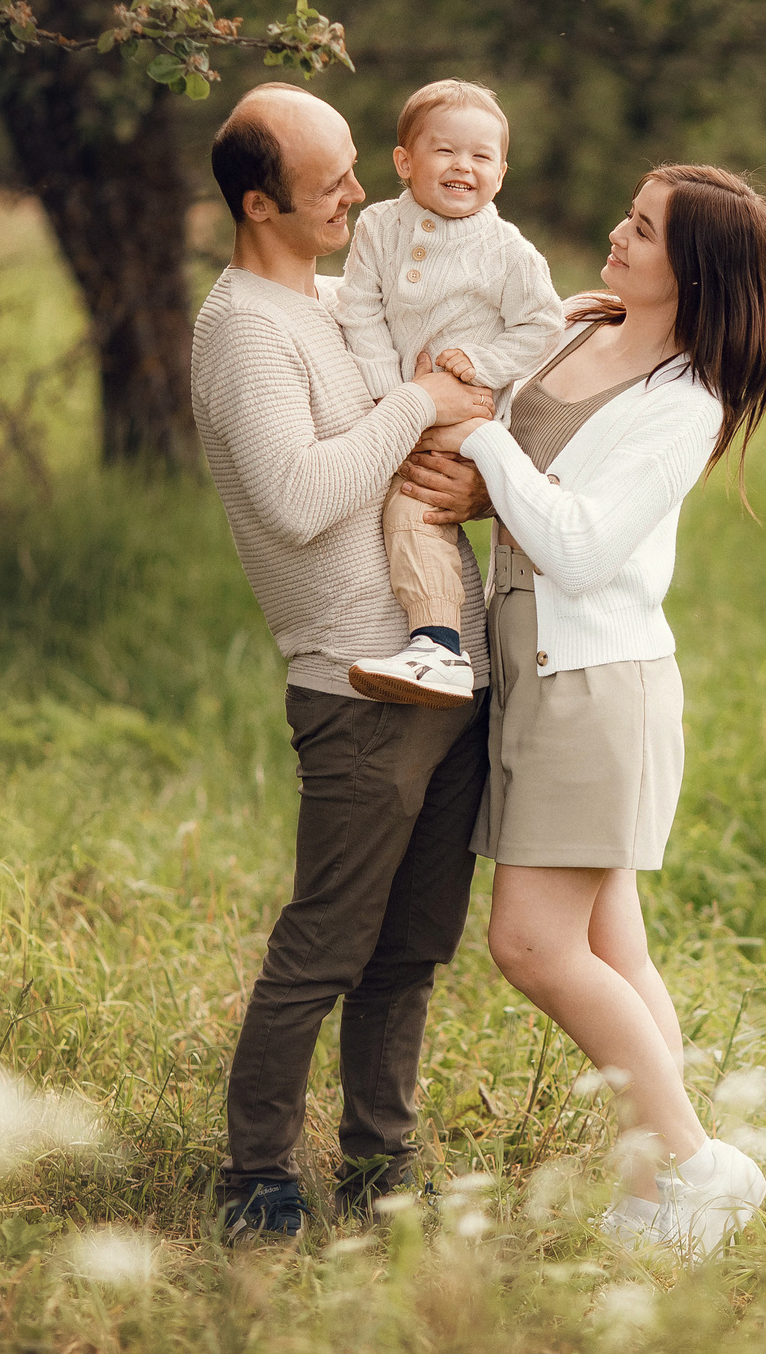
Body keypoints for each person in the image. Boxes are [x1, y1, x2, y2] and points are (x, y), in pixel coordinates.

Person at [412, 164, 766, 1256]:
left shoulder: (683, 404)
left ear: (696, 270)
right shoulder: (583, 329)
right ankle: (654, 1191)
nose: (618, 238)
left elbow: (579, 546)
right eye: (627, 217)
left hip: (595, 681)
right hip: (536, 665)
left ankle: (700, 1165)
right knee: (615, 954)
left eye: (642, 230)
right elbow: (540, 475)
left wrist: (481, 440)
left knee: (532, 946)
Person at [189, 81, 496, 1238]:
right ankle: (256, 1176)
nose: (361, 195)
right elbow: (301, 498)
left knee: (408, 956)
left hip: (450, 676)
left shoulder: (332, 302)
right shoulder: (244, 332)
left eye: (358, 167)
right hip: (359, 690)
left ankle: (380, 1166)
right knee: (323, 948)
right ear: (260, 202)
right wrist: (415, 399)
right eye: (333, 186)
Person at [335, 79, 563, 707]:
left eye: (481, 156)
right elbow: (359, 312)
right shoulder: (380, 226)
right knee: (382, 502)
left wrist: (484, 363)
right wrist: (394, 399)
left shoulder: (507, 249)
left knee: (414, 507)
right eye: (444, 152)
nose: (464, 166)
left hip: (468, 414)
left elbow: (543, 326)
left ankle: (438, 645)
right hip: (403, 404)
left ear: (501, 173)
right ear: (404, 162)